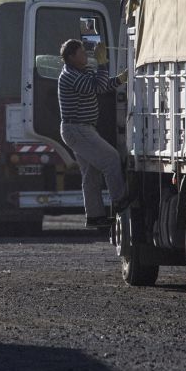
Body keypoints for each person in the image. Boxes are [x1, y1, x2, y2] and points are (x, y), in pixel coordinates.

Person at [57, 38, 129, 228]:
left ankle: (95, 216)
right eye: (81, 52)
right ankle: (120, 200)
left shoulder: (82, 70)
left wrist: (120, 79)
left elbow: (102, 84)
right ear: (71, 57)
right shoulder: (70, 75)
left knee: (91, 173)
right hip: (78, 129)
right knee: (111, 159)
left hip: (83, 128)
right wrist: (102, 62)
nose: (85, 55)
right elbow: (95, 87)